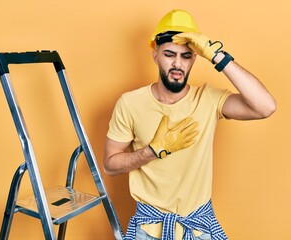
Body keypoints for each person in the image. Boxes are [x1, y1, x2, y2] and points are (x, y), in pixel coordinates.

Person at [103, 9, 276, 240]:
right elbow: (110, 166)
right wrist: (152, 151)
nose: (177, 64)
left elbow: (265, 107)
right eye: (169, 54)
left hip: (198, 226)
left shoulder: (208, 99)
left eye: (186, 56)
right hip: (148, 228)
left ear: (195, 57)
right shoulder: (130, 103)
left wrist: (217, 55)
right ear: (155, 55)